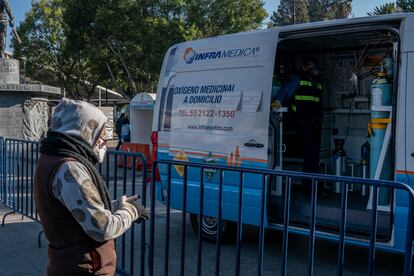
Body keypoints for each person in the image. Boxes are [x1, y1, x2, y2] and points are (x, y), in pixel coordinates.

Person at [34, 99, 149, 275]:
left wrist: (117, 205)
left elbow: (76, 208)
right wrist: (131, 212)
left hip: (69, 264)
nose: (103, 145)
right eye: (101, 138)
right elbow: (102, 228)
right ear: (86, 131)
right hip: (84, 267)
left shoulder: (51, 157)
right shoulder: (69, 168)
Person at [272, 56, 323, 181]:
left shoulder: (318, 83)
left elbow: (319, 102)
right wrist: (278, 101)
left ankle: (309, 183)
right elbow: (286, 92)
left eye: (314, 66)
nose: (314, 69)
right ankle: (311, 184)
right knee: (312, 151)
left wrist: (321, 116)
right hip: (302, 121)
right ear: (305, 67)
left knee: (314, 152)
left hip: (315, 122)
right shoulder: (298, 79)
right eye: (311, 66)